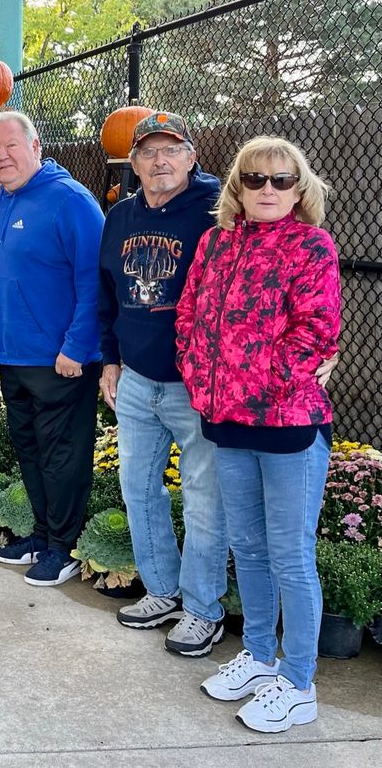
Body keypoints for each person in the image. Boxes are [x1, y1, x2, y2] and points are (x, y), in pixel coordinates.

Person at [176, 136, 340, 734]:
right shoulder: (216, 242)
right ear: (236, 188)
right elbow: (189, 315)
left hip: (287, 423)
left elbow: (317, 328)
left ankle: (298, 681)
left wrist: (267, 384)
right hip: (226, 420)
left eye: (281, 180)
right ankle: (262, 657)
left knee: (290, 555)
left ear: (300, 188)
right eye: (255, 179)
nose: (267, 189)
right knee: (246, 546)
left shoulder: (311, 245)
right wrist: (201, 380)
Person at [95, 111, 231, 656]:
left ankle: (203, 610)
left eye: (170, 150)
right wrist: (108, 359)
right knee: (139, 489)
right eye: (148, 151)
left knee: (203, 499)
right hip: (135, 379)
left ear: (192, 156)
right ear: (134, 162)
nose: (159, 160)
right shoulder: (119, 216)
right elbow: (106, 292)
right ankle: (163, 590)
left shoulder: (219, 212)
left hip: (194, 386)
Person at [0, 110, 105, 586]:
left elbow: (94, 280)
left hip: (61, 361)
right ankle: (45, 533)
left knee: (62, 455)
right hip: (12, 357)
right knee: (30, 451)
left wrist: (77, 346)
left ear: (35, 145)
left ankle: (64, 547)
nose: (1, 156)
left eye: (10, 145)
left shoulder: (70, 200)